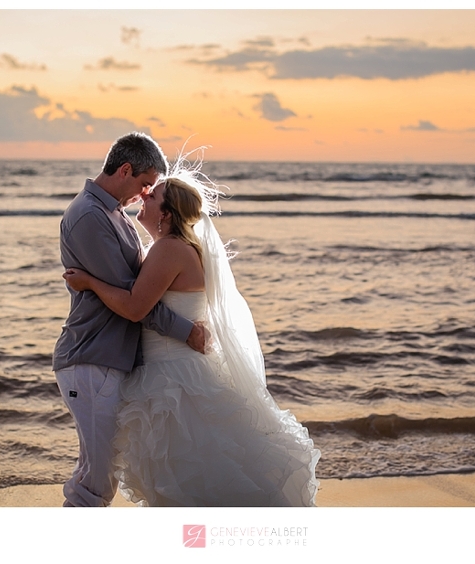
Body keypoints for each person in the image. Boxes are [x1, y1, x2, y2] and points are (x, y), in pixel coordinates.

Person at [63, 167, 320, 506]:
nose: (144, 195)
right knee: (193, 477)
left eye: (152, 195)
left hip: (173, 378)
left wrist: (90, 282)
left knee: (185, 479)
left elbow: (135, 306)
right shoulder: (181, 247)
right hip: (182, 370)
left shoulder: (168, 250)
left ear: (166, 214)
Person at [53, 132, 207, 507]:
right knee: (96, 481)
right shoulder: (90, 216)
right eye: (144, 183)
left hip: (110, 360)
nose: (143, 194)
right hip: (92, 358)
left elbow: (137, 294)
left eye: (150, 190)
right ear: (125, 169)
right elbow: (133, 302)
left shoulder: (113, 213)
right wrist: (186, 331)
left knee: (99, 474)